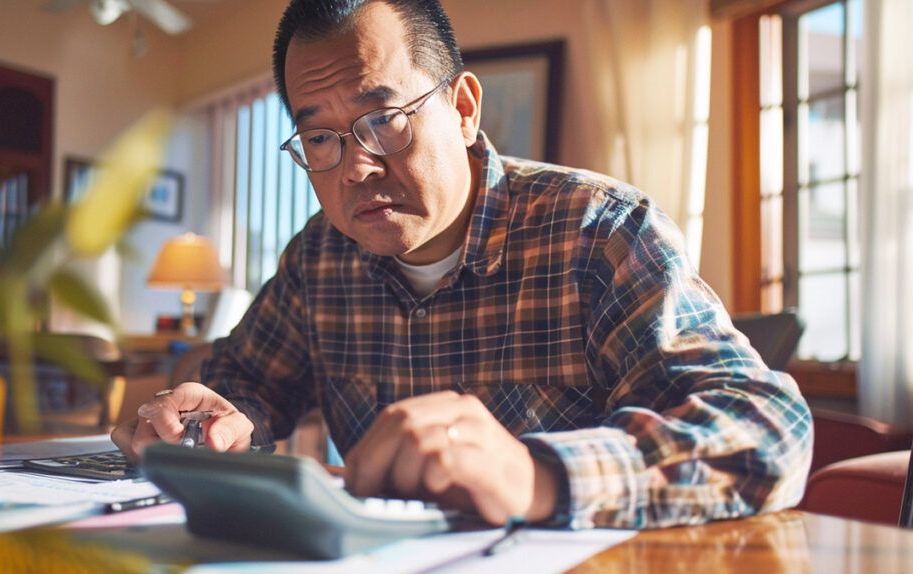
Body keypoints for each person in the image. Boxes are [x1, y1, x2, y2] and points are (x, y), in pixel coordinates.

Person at [113, 0, 813, 529]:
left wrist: (537, 474)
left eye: (383, 117)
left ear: (465, 108)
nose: (354, 166)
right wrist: (212, 419)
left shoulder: (597, 232)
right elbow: (247, 384)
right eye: (319, 137)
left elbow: (767, 429)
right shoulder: (321, 255)